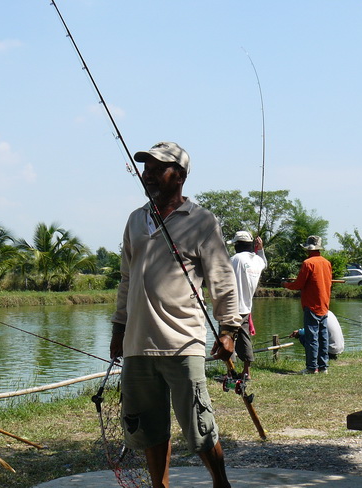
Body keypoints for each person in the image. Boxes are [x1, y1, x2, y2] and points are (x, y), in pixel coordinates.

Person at [110, 141, 241, 488]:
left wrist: (228, 330)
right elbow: (126, 278)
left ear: (179, 176)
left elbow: (222, 279)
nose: (148, 175)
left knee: (199, 426)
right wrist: (118, 328)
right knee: (149, 427)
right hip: (138, 345)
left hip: (183, 343)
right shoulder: (136, 220)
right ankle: (160, 486)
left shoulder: (201, 221)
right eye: (146, 168)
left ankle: (220, 482)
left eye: (157, 169)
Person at [282, 235, 332, 374]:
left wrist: (286, 285)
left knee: (312, 338)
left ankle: (311, 367)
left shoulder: (308, 263)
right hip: (324, 304)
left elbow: (299, 284)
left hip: (311, 305)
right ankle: (323, 367)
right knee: (322, 337)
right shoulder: (326, 263)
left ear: (308, 249)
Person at [227, 230, 267, 379]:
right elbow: (264, 262)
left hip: (231, 307)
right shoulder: (257, 260)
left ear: (237, 245)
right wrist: (260, 249)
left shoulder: (235, 259)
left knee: (228, 338)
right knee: (244, 339)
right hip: (246, 308)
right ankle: (246, 372)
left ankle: (230, 373)